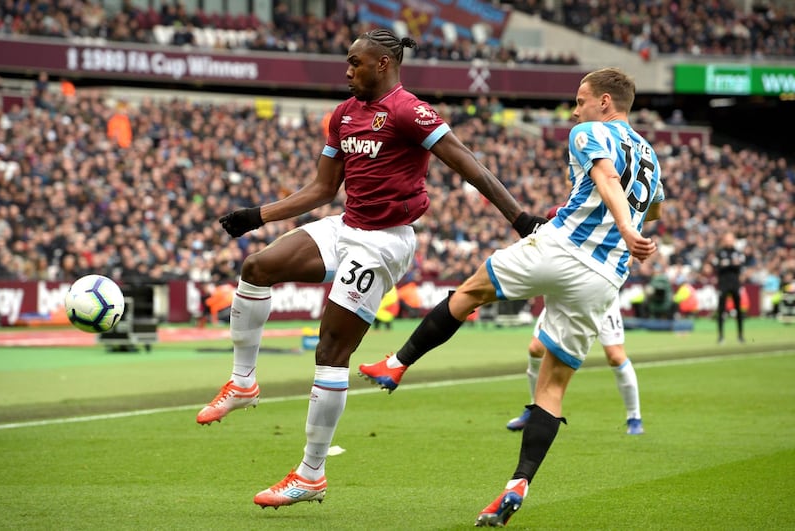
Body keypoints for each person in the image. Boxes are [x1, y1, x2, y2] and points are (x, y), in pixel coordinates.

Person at [196, 28, 545, 510]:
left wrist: (520, 219)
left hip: (383, 243)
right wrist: (258, 216)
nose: (347, 70)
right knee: (258, 266)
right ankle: (243, 382)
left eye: (355, 63)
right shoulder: (343, 115)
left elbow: (469, 165)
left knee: (330, 349)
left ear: (383, 64)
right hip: (347, 226)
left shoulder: (409, 110)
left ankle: (310, 474)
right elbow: (321, 189)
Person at [359, 67, 664, 527]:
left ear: (605, 102)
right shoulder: (651, 155)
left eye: (581, 99)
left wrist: (619, 222)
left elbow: (606, 179)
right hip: (605, 277)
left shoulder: (590, 131)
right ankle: (518, 483)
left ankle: (397, 364)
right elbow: (654, 206)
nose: (575, 107)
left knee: (471, 291)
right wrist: (628, 228)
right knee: (554, 385)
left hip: (563, 247)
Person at [507, 296, 644, 435]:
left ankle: (634, 417)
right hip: (565, 294)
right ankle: (535, 408)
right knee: (536, 348)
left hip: (600, 295)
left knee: (615, 356)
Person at [714, 231, 745, 343]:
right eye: (727, 239)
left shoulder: (737, 252)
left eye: (731, 239)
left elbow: (740, 265)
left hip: (735, 284)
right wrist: (732, 264)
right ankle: (721, 336)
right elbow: (717, 266)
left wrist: (727, 264)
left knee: (738, 310)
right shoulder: (720, 252)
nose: (729, 241)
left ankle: (740, 335)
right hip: (723, 284)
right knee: (721, 311)